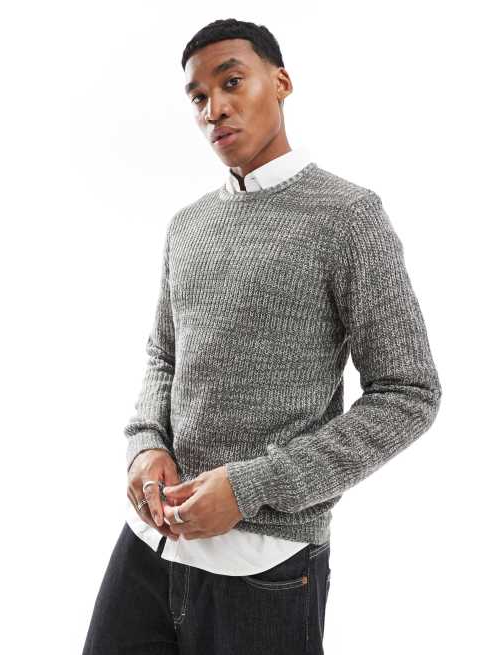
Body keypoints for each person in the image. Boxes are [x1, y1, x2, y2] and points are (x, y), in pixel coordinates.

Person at [82, 18, 442, 655]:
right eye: (198, 96)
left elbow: (408, 393)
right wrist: (144, 445)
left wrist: (251, 488)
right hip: (149, 549)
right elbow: (164, 356)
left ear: (281, 82)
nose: (214, 109)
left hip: (267, 566)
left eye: (231, 82)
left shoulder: (347, 216)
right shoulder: (188, 225)